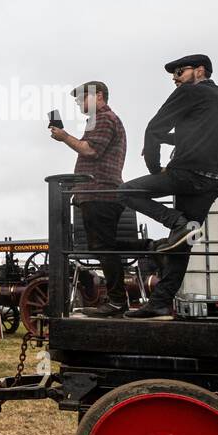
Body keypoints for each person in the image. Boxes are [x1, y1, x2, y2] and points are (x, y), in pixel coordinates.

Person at [118, 54, 218, 320]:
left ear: (199, 70)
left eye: (180, 72)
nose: (175, 79)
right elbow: (208, 136)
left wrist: (155, 168)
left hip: (186, 175)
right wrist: (171, 140)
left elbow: (153, 128)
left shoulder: (189, 92)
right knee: (181, 244)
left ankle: (177, 222)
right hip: (215, 181)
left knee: (125, 191)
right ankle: (160, 302)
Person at [50, 81, 129, 317]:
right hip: (99, 193)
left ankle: (116, 301)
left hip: (100, 192)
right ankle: (150, 248)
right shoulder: (102, 119)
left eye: (82, 98)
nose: (79, 103)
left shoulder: (103, 119)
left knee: (104, 247)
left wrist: (64, 136)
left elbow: (90, 150)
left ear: (99, 96)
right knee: (103, 246)